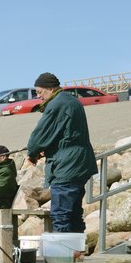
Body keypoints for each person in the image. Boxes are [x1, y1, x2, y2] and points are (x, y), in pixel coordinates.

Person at [26, 72, 98, 233]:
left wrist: (32, 153)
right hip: (80, 163)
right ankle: (77, 253)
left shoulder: (56, 104)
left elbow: (40, 135)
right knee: (73, 213)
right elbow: (65, 134)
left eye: (39, 92)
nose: (38, 96)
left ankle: (63, 255)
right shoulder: (72, 101)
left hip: (67, 166)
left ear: (51, 89)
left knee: (60, 215)